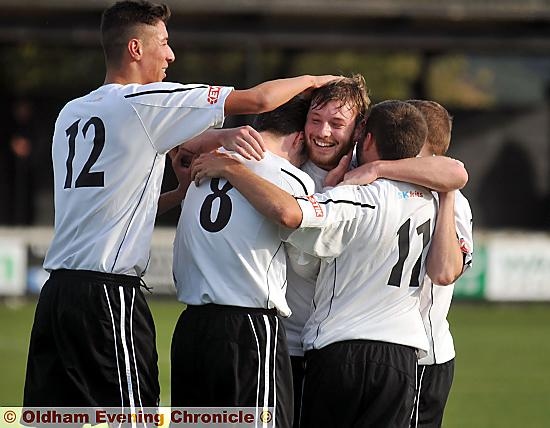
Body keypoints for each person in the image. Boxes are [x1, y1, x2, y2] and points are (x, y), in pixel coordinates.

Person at [22, 0, 339, 409]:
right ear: (136, 49)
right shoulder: (145, 102)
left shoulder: (72, 113)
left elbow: (113, 206)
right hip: (107, 296)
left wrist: (181, 190)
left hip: (57, 295)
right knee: (133, 416)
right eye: (164, 42)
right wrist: (318, 79)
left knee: (51, 417)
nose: (171, 54)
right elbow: (259, 100)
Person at [191, 100, 456, 427]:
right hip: (402, 357)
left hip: (340, 349)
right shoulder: (429, 196)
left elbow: (292, 216)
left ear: (365, 137)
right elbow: (456, 173)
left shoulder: (356, 195)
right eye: (316, 120)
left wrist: (233, 169)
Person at [171, 97, 315, 428]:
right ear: (297, 140)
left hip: (191, 329)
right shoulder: (292, 179)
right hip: (248, 329)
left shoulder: (205, 164)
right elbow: (306, 257)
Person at [406, 100, 474, 428]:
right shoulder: (387, 184)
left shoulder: (454, 200)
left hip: (424, 355)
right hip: (385, 347)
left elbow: (447, 271)